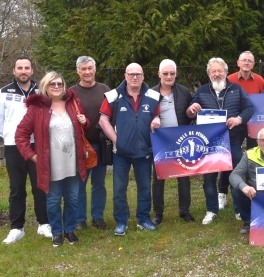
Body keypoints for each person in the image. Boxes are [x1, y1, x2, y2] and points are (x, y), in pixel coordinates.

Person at [15, 71, 89, 247]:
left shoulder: (73, 103)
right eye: (52, 84)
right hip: (51, 164)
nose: (56, 87)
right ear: (45, 87)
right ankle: (56, 232)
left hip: (73, 162)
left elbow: (84, 126)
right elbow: (20, 134)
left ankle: (69, 230)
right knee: (54, 200)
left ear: (64, 86)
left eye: (60, 84)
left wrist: (85, 121)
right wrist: (31, 155)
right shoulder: (37, 108)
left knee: (72, 198)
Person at [0, 57, 52, 244]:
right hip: (13, 146)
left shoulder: (42, 92)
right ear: (14, 70)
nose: (23, 71)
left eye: (27, 68)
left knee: (41, 186)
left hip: (39, 145)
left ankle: (44, 224)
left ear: (32, 71)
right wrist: (12, 137)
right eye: (20, 68)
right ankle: (17, 228)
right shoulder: (3, 94)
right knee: (17, 189)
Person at [187, 57, 253, 224]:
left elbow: (249, 108)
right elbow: (190, 112)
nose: (217, 74)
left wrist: (239, 119)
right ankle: (211, 210)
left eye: (219, 71)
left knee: (236, 176)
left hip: (232, 141)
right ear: (209, 73)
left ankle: (239, 210)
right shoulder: (201, 91)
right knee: (209, 179)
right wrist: (191, 109)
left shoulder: (236, 89)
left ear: (225, 71)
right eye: (213, 71)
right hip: (208, 144)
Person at [98, 63, 161, 235]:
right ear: (125, 76)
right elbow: (103, 120)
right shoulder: (113, 96)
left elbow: (156, 114)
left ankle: (143, 219)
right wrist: (117, 140)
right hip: (121, 154)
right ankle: (121, 221)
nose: (135, 77)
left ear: (143, 76)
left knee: (145, 188)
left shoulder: (153, 95)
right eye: (131, 74)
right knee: (119, 189)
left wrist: (157, 119)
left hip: (144, 151)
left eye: (138, 74)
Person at [150, 59, 195, 225]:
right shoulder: (151, 93)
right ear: (159, 74)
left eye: (172, 73)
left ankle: (185, 211)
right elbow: (144, 114)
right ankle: (158, 213)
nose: (169, 76)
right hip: (160, 141)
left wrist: (192, 111)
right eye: (165, 73)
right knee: (158, 178)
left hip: (181, 141)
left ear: (176, 74)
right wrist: (153, 118)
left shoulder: (184, 92)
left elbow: (191, 115)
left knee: (184, 177)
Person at [70, 56, 111, 230]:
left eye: (90, 68)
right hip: (80, 145)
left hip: (100, 144)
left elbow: (112, 114)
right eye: (83, 69)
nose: (87, 72)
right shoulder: (70, 93)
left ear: (95, 69)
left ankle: (98, 216)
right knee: (80, 183)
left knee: (99, 183)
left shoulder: (105, 90)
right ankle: (80, 219)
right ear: (78, 71)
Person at [224, 51, 264, 209]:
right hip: (235, 125)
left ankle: (253, 187)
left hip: (255, 124)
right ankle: (227, 191)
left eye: (250, 61)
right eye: (244, 60)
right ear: (238, 62)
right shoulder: (230, 79)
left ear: (253, 64)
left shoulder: (260, 80)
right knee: (232, 159)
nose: (247, 63)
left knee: (254, 156)